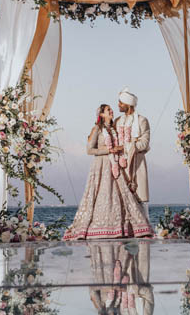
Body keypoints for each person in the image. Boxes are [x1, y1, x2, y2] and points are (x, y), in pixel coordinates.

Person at [63, 104, 153, 242]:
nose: (111, 111)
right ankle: (99, 228)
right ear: (101, 115)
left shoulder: (113, 129)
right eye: (107, 110)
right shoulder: (97, 129)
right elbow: (89, 150)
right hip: (102, 166)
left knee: (120, 196)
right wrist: (108, 150)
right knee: (103, 195)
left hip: (114, 164)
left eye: (111, 109)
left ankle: (122, 227)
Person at [115, 87, 151, 220]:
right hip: (121, 165)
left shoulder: (142, 121)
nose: (118, 105)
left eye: (120, 102)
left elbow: (144, 144)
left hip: (137, 164)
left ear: (128, 104)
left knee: (140, 200)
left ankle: (144, 231)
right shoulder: (118, 121)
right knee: (121, 200)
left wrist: (125, 147)